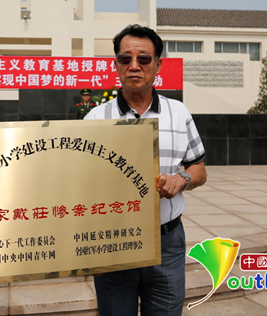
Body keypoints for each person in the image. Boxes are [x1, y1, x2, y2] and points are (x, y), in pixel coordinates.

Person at [84, 24, 207, 316]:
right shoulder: (96, 118)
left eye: (144, 59)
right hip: (113, 243)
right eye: (125, 59)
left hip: (167, 242)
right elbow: (81, 184)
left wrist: (183, 178)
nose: (134, 66)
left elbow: (199, 168)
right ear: (116, 64)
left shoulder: (179, 112)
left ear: (158, 65)